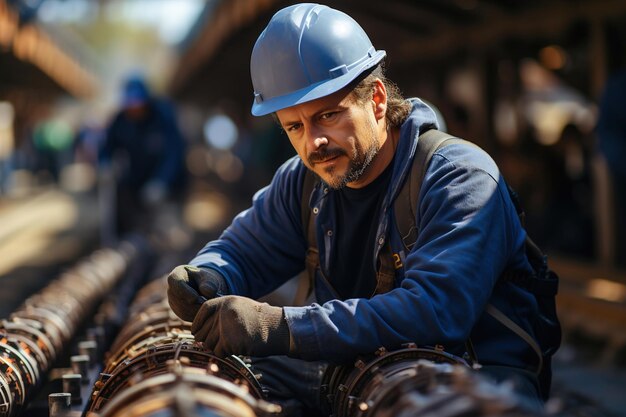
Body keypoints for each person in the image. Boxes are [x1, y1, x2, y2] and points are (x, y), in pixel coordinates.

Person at [167, 4, 557, 415]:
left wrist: (279, 327)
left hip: (471, 378)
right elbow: (242, 250)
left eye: (328, 115)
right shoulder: (303, 182)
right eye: (294, 127)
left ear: (376, 100)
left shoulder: (460, 177)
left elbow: (435, 311)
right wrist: (209, 274)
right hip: (363, 371)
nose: (312, 143)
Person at [101, 75, 187, 239]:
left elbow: (174, 154)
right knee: (133, 221)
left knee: (166, 229)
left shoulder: (163, 116)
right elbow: (107, 146)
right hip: (137, 180)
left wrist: (162, 182)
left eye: (138, 104)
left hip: (168, 185)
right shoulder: (121, 119)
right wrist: (105, 164)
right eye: (131, 105)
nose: (135, 109)